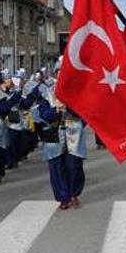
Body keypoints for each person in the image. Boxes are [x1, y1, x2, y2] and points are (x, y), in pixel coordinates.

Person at [37, 74, 87, 210]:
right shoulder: (47, 93)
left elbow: (84, 112)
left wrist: (69, 107)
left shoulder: (78, 92)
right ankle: (63, 197)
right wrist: (57, 110)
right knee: (56, 167)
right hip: (54, 134)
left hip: (73, 133)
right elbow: (44, 115)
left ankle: (73, 193)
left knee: (74, 166)